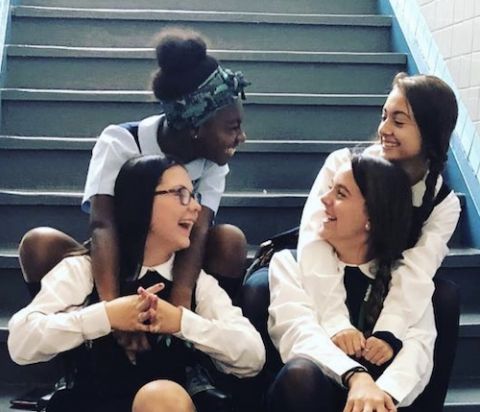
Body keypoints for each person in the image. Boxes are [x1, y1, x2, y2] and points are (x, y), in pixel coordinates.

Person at [18, 27, 250, 360]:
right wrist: (114, 312)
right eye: (232, 127)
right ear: (195, 127)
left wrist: (181, 315)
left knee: (230, 240)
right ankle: (77, 357)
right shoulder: (121, 141)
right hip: (118, 260)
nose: (242, 137)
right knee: (39, 244)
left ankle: (196, 363)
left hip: (172, 262)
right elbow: (103, 226)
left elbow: (199, 232)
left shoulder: (214, 161)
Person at [8, 155, 265, 412]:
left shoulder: (196, 282)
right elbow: (20, 343)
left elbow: (253, 357)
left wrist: (181, 321)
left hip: (172, 403)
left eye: (194, 195)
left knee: (161, 398)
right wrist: (105, 315)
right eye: (181, 194)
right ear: (140, 202)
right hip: (94, 402)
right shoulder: (84, 270)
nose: (196, 208)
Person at [297, 72, 460, 356]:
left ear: (430, 131)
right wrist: (336, 322)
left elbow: (416, 270)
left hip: (383, 285)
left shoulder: (443, 203)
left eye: (398, 121)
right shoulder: (343, 164)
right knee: (260, 288)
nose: (384, 128)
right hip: (330, 274)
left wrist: (389, 333)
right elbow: (314, 241)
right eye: (384, 116)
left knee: (444, 297)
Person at [267, 154, 435, 412]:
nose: (324, 199)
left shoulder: (403, 280)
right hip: (313, 397)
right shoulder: (289, 263)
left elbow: (418, 349)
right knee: (300, 373)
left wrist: (380, 396)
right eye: (330, 188)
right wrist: (357, 377)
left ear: (373, 217)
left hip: (381, 404)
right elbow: (298, 334)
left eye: (341, 194)